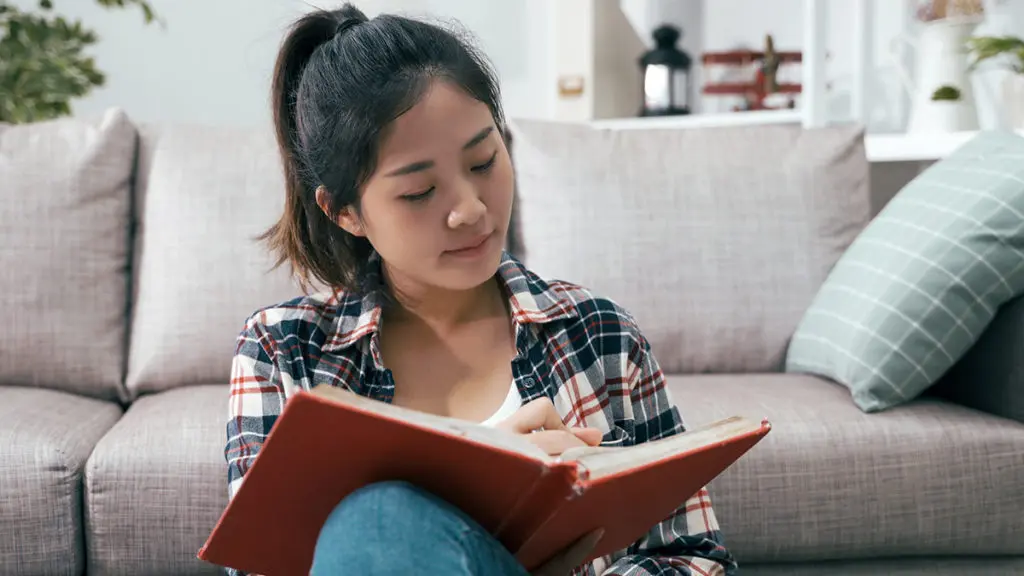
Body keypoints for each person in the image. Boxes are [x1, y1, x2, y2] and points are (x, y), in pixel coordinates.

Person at [224, 4, 737, 575]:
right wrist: (482, 483)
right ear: (346, 212)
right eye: (419, 192)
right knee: (374, 520)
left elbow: (693, 558)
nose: (470, 209)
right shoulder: (283, 351)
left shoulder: (598, 333)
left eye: (485, 160)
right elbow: (259, 567)